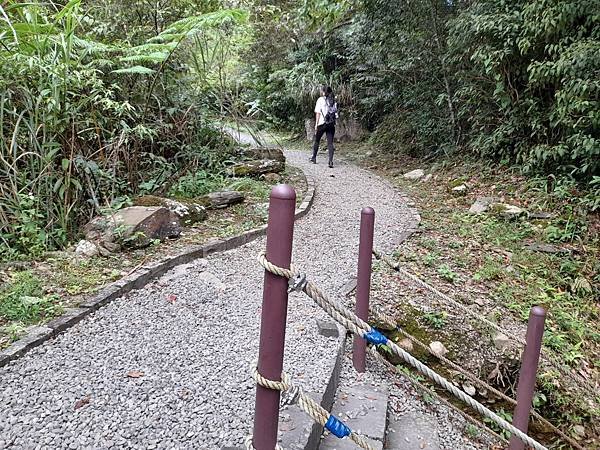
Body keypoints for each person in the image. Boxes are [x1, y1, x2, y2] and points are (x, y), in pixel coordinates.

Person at [310, 85, 338, 168]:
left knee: (317, 140)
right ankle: (330, 161)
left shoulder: (320, 100)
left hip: (322, 123)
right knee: (330, 142)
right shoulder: (334, 101)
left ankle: (314, 157)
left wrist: (316, 124)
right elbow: (336, 114)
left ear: (323, 92)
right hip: (331, 124)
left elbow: (318, 113)